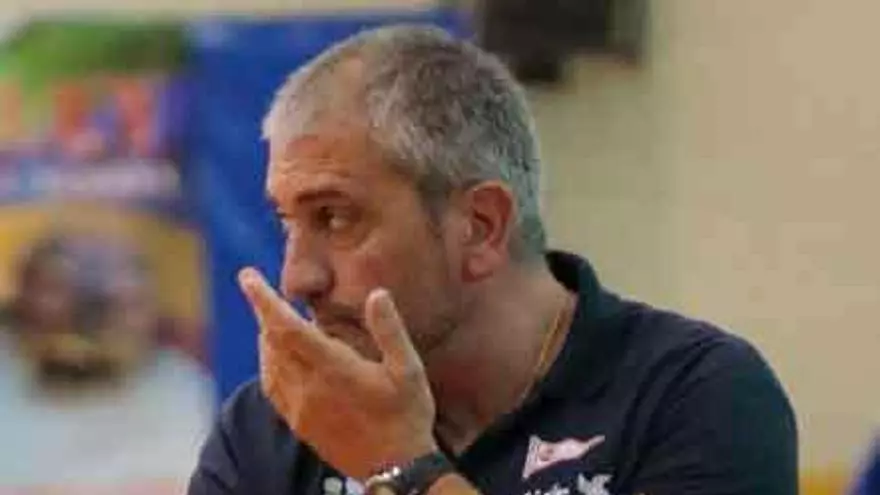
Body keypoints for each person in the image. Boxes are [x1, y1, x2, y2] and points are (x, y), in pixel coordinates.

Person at [189, 25, 797, 495]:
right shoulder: (271, 429)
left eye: (336, 217)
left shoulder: (694, 394)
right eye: (286, 222)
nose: (298, 276)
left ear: (480, 228)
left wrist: (399, 466)